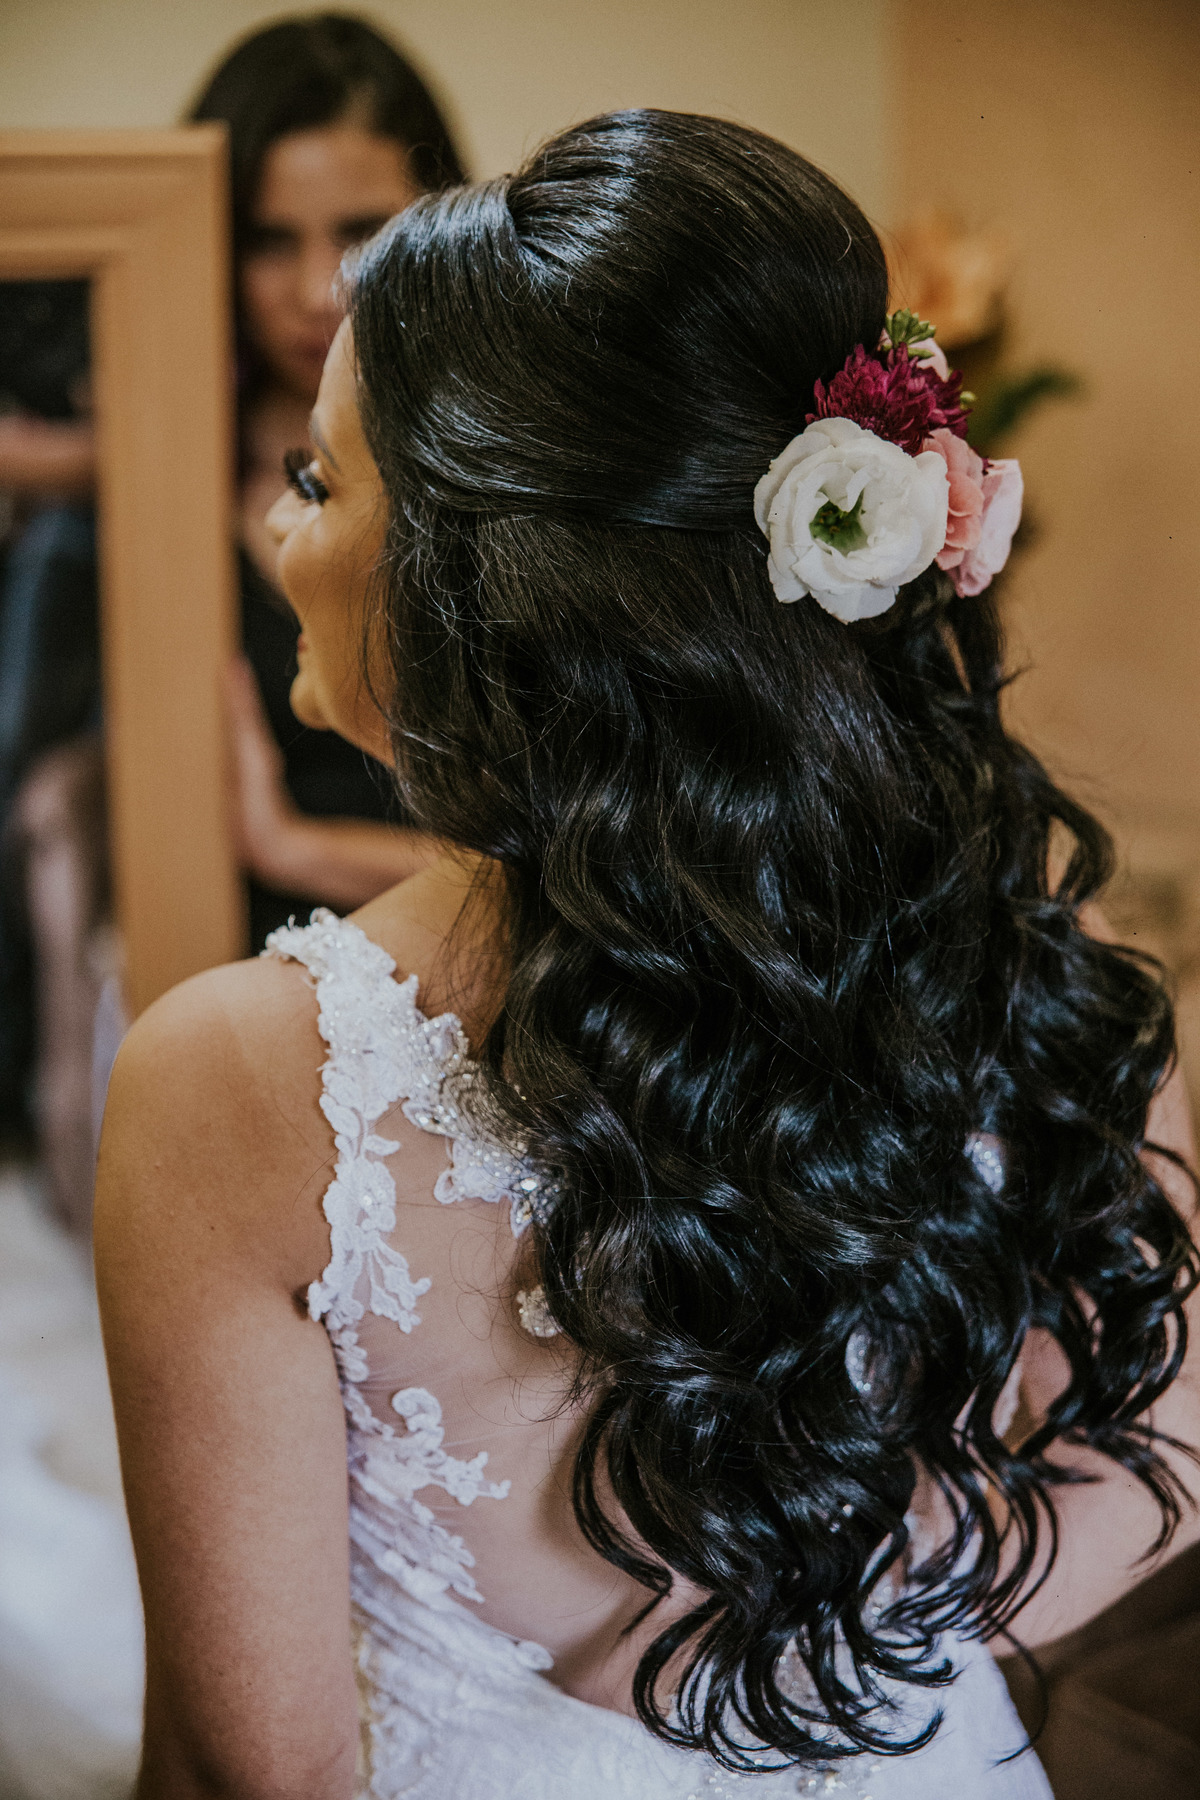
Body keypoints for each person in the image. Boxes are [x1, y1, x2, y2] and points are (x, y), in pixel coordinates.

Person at [94, 111, 1200, 1799]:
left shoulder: (241, 1082)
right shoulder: (1039, 960)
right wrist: (840, 1655)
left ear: (489, 599)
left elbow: (249, 1772)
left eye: (321, 479)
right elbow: (1165, 1447)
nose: (278, 527)